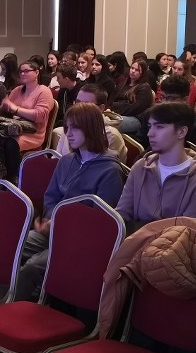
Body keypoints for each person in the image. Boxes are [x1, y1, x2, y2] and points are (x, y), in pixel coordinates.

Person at [10, 103, 124, 302]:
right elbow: (51, 196)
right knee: (10, 247)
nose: (68, 133)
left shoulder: (110, 171)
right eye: (67, 127)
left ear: (91, 128)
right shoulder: (67, 160)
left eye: (75, 128)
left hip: (78, 241)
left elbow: (101, 220)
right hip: (53, 230)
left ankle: (13, 307)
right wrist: (50, 220)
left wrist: (60, 224)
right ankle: (21, 299)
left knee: (32, 267)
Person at [116, 102, 196, 230]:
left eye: (159, 127)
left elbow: (187, 234)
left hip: (170, 242)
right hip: (132, 239)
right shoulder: (141, 167)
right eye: (150, 126)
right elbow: (121, 216)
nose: (150, 133)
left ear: (181, 132)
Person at [0, 60, 54, 181]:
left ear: (37, 73)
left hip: (33, 133)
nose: (22, 74)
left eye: (26, 71)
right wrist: (3, 106)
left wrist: (16, 109)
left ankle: (13, 178)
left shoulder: (44, 91)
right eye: (21, 72)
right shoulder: (17, 90)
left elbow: (40, 116)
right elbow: (7, 109)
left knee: (10, 143)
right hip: (14, 128)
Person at [54, 84, 127, 161]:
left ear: (101, 108)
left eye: (86, 105)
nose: (79, 107)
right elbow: (57, 158)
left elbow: (106, 166)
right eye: (77, 102)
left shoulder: (111, 135)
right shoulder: (70, 126)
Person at [157, 75, 196, 148]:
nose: (164, 102)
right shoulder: (156, 117)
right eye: (162, 97)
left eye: (170, 98)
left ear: (184, 100)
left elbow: (194, 154)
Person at [111, 59, 156, 134]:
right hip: (118, 114)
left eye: (137, 70)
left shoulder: (144, 87)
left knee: (110, 124)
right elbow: (112, 101)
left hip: (136, 118)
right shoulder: (123, 84)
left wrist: (116, 108)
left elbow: (136, 108)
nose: (133, 71)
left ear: (142, 73)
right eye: (132, 68)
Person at [52, 61, 83, 128]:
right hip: (62, 123)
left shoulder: (82, 91)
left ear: (66, 79)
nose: (57, 80)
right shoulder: (63, 90)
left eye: (58, 78)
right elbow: (58, 112)